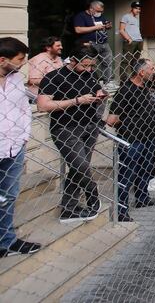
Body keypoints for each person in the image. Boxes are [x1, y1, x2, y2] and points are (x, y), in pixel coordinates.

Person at [37, 46, 105, 223]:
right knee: (81, 166)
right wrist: (77, 101)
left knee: (77, 169)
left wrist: (99, 95)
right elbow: (43, 105)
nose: (89, 69)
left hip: (89, 126)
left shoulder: (90, 74)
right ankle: (92, 191)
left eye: (92, 66)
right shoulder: (54, 77)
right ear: (73, 61)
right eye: (85, 65)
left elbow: (96, 89)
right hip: (65, 128)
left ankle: (69, 208)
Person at [106, 59, 155, 222]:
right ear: (141, 72)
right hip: (131, 140)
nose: (154, 71)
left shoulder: (145, 87)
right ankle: (121, 210)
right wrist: (130, 122)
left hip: (149, 137)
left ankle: (142, 198)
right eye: (151, 69)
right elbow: (111, 119)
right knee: (127, 174)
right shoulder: (125, 90)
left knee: (145, 170)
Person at [0, 38, 41, 257]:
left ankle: (6, 241)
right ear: (2, 60)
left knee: (9, 195)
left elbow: (24, 109)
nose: (24, 63)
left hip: (14, 146)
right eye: (20, 59)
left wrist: (25, 135)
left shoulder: (16, 79)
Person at [73, 0, 113, 86]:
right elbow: (78, 30)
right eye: (98, 11)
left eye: (101, 11)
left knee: (108, 63)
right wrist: (95, 27)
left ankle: (108, 82)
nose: (100, 13)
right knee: (89, 64)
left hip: (104, 43)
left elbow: (104, 25)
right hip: (90, 44)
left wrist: (108, 26)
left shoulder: (101, 16)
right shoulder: (81, 16)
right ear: (91, 9)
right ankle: (90, 83)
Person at [119, 1, 143, 80]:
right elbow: (121, 30)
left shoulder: (136, 19)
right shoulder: (126, 17)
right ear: (132, 8)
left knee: (135, 62)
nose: (138, 10)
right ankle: (123, 80)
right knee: (125, 61)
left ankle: (135, 79)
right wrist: (129, 39)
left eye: (139, 9)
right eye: (136, 8)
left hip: (139, 41)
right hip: (131, 42)